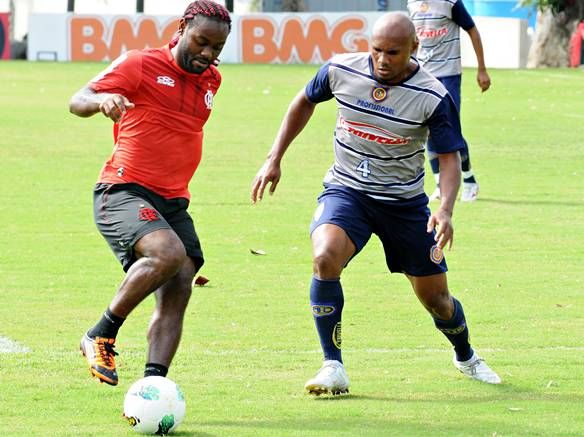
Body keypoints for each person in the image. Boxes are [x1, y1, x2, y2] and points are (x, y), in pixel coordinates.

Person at [251, 12, 500, 395]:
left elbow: (448, 158)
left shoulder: (433, 96)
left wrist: (446, 209)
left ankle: (465, 354)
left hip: (404, 204)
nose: (382, 60)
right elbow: (303, 100)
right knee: (324, 257)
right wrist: (274, 157)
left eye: (393, 53)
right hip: (347, 192)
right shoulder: (340, 70)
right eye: (376, 50)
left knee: (437, 300)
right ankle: (332, 366)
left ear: (414, 48)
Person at [69, 1, 231, 386]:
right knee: (168, 254)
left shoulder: (211, 80)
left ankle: (153, 386)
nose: (207, 54)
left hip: (173, 200)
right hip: (122, 190)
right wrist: (101, 101)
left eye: (217, 48)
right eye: (201, 41)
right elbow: (77, 100)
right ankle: (99, 334)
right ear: (182, 28)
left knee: (180, 285)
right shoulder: (139, 63)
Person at [407, 0, 490, 202]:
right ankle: (439, 184)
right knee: (425, 131)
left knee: (451, 131)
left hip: (447, 76)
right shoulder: (412, 3)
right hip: (423, 76)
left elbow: (472, 30)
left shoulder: (450, 3)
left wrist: (481, 69)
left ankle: (469, 181)